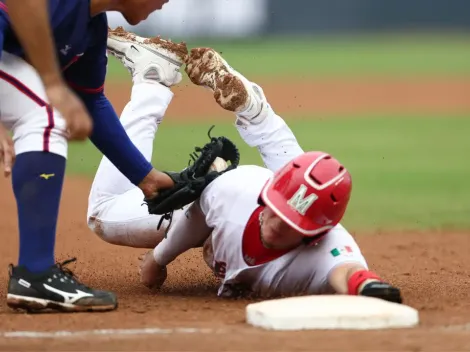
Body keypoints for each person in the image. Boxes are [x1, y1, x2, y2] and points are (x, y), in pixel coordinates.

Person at [87, 29, 403, 303]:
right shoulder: (231, 192)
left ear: (315, 237)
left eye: (291, 225)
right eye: (276, 212)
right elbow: (195, 217)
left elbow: (349, 271)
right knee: (102, 212)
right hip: (232, 196)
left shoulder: (327, 243)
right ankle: (151, 81)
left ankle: (258, 116)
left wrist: (370, 288)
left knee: (303, 190)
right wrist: (158, 259)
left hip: (264, 201)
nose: (278, 224)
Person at [0, 1, 179, 313]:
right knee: (46, 116)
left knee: (47, 111)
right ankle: (36, 273)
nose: (166, 1)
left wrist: (145, 177)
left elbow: (89, 101)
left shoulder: (90, 28)